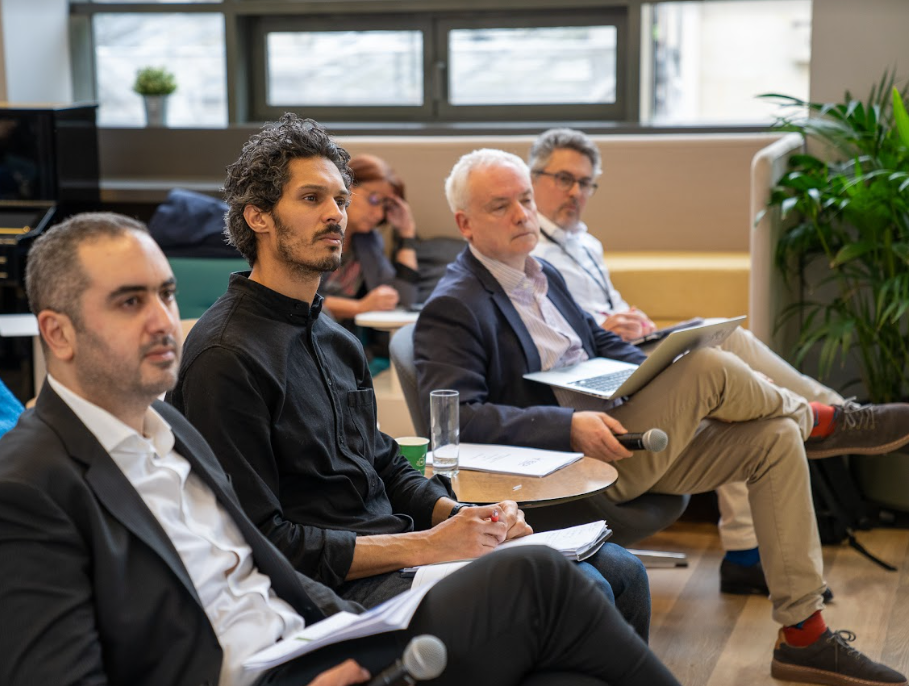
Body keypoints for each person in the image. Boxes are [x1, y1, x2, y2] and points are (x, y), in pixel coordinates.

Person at [0, 210, 682, 686]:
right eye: (128, 301)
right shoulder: (27, 490)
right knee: (541, 581)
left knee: (571, 667)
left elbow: (267, 564)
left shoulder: (167, 425)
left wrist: (353, 624)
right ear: (57, 333)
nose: (163, 321)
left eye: (166, 294)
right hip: (277, 676)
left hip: (323, 643)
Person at [413, 148, 909, 686]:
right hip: (573, 465)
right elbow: (457, 417)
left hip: (630, 434)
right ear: (464, 222)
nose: (521, 214)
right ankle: (829, 423)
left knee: (773, 434)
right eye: (500, 206)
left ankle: (805, 636)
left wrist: (659, 359)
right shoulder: (454, 304)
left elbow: (597, 343)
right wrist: (567, 426)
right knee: (709, 368)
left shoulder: (542, 273)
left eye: (526, 200)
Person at [169, 113, 653, 641]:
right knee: (581, 591)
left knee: (624, 572)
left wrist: (465, 515)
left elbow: (385, 463)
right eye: (312, 199)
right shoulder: (225, 356)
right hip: (337, 586)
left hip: (400, 549)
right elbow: (264, 542)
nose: (336, 215)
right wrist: (432, 545)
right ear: (258, 217)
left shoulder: (332, 336)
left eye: (340, 199)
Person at [526, 127, 908, 599]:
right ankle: (839, 419)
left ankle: (751, 547)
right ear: (533, 176)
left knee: (730, 352)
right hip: (597, 389)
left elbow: (601, 318)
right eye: (564, 179)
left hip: (621, 359)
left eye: (586, 183)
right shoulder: (533, 255)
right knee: (721, 359)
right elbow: (565, 339)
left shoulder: (583, 242)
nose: (575, 192)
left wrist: (631, 321)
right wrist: (611, 324)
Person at [319, 154, 420, 322]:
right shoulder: (317, 230)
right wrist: (359, 307)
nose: (379, 213)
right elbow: (298, 298)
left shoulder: (369, 241)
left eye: (385, 206)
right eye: (374, 199)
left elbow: (404, 299)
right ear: (346, 187)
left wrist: (407, 234)